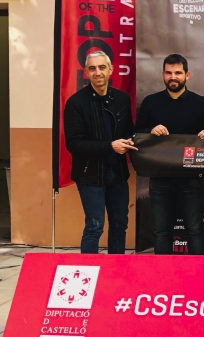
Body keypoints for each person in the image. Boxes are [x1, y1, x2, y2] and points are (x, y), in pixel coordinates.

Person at [135, 54, 204, 255]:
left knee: (195, 229)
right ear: (163, 75)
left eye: (178, 72)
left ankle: (198, 270)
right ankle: (163, 271)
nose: (173, 77)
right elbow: (136, 135)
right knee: (161, 231)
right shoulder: (150, 102)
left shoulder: (201, 104)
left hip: (192, 177)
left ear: (187, 75)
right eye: (169, 73)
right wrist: (150, 130)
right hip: (160, 178)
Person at [63, 50, 136, 254]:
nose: (98, 72)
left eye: (102, 67)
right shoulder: (76, 103)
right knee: (94, 227)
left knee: (120, 225)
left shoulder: (121, 99)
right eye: (92, 68)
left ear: (110, 70)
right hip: (90, 175)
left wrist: (138, 137)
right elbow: (74, 144)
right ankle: (90, 269)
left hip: (118, 174)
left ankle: (116, 269)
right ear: (86, 72)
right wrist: (110, 146)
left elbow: (129, 131)